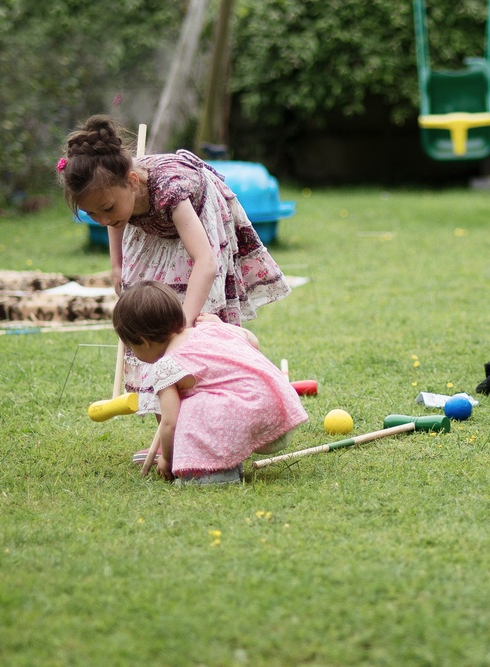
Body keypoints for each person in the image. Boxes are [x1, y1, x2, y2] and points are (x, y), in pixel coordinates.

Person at [57, 114, 291, 413]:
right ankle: (169, 427)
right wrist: (117, 265)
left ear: (131, 182)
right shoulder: (115, 198)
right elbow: (115, 220)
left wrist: (183, 325)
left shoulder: (170, 188)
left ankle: (208, 415)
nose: (101, 220)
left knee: (194, 319)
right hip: (151, 223)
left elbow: (205, 262)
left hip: (198, 219)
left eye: (106, 209)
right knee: (147, 312)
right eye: (92, 214)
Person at [112, 281, 308, 484]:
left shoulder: (166, 366)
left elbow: (169, 423)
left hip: (253, 416)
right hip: (281, 409)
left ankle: (212, 474)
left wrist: (167, 458)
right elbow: (253, 342)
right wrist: (222, 326)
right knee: (212, 394)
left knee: (190, 407)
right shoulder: (210, 328)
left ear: (143, 341)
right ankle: (229, 462)